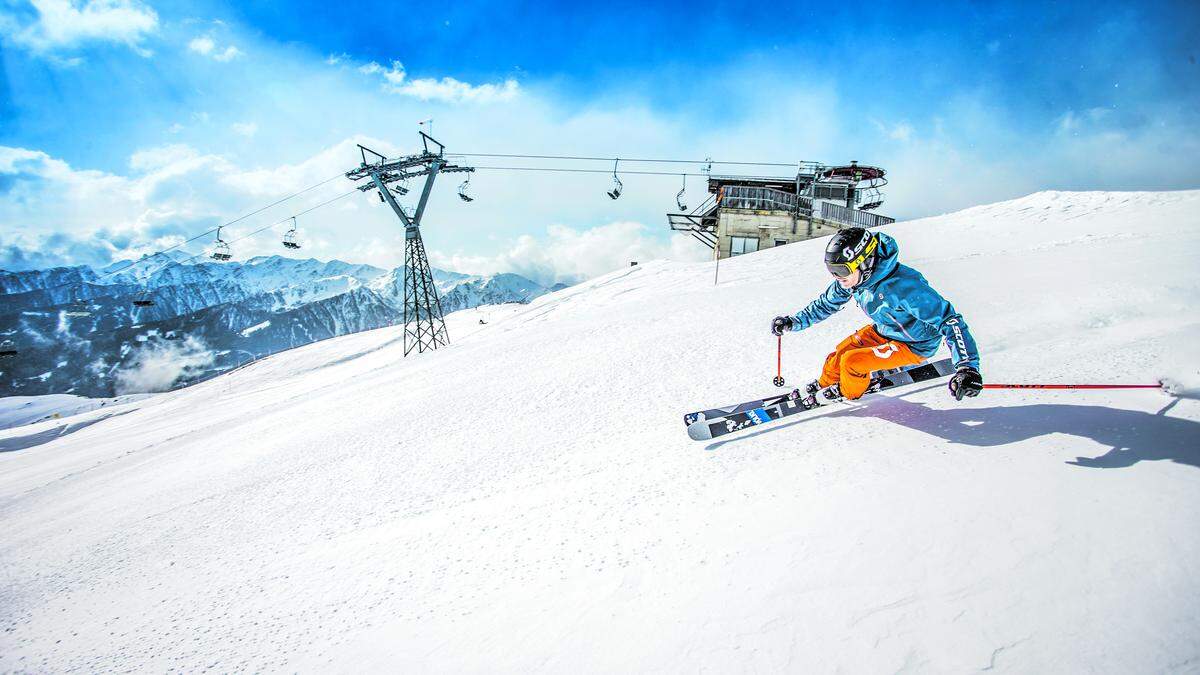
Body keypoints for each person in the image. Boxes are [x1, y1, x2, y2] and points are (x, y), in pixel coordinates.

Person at [771, 227, 983, 404]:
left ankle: (846, 392)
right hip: (884, 331)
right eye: (832, 270)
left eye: (841, 271)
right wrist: (793, 322)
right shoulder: (855, 280)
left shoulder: (904, 286)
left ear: (864, 262)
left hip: (914, 343)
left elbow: (950, 320)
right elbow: (825, 304)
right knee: (838, 355)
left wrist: (967, 367)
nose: (837, 278)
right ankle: (825, 383)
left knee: (852, 362)